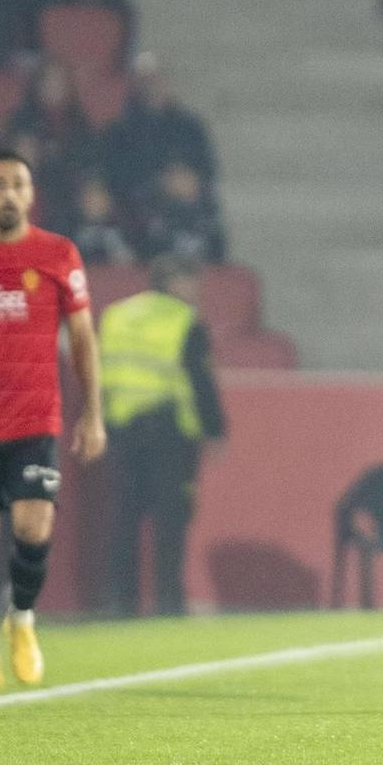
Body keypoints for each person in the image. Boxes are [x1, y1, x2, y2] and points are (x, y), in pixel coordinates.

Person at [0, 150, 106, 693]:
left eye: (17, 185)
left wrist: (93, 413)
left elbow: (83, 336)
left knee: (32, 528)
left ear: (31, 195)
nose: (7, 194)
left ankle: (22, 619)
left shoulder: (57, 253)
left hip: (34, 419)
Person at [99, 256, 227, 617]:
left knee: (124, 516)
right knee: (170, 517)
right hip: (167, 429)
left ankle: (119, 601)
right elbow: (200, 382)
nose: (196, 290)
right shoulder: (183, 321)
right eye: (191, 281)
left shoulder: (116, 316)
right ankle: (168, 601)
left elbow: (99, 371)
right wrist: (215, 430)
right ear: (174, 282)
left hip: (121, 425)